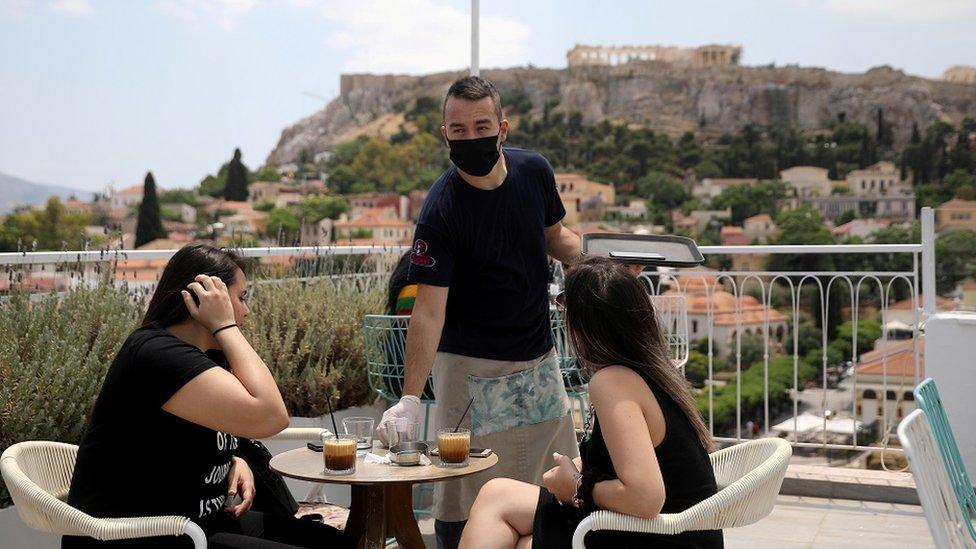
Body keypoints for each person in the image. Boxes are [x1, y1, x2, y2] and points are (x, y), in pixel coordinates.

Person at [376, 75, 582, 549]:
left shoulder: (535, 172)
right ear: (444, 135)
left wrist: (599, 261)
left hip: (537, 360)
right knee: (466, 494)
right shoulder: (440, 210)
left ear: (503, 129)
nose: (471, 137)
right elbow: (428, 311)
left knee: (558, 483)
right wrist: (409, 399)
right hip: (469, 370)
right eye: (459, 129)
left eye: (481, 125)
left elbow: (556, 236)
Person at [63, 244, 352, 549]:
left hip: (198, 524)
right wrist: (225, 325)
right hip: (141, 533)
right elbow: (272, 416)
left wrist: (232, 459)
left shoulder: (200, 357)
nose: (246, 310)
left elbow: (176, 441)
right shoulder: (156, 355)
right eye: (240, 298)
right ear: (208, 296)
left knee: (335, 541)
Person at [459, 257, 723, 549]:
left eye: (564, 308)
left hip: (661, 535)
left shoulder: (612, 382)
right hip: (676, 531)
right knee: (497, 495)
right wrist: (578, 471)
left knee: (512, 524)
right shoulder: (651, 372)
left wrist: (577, 486)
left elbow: (646, 497)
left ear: (583, 323)